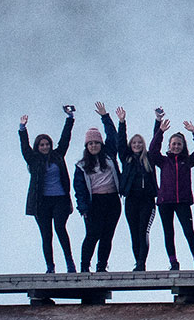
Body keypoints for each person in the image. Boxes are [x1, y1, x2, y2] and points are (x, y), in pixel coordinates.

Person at [20, 105, 77, 273]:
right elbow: (24, 147)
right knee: (46, 234)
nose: (45, 147)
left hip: (59, 199)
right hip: (41, 201)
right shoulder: (33, 159)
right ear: (37, 147)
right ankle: (50, 267)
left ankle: (69, 263)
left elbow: (65, 139)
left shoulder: (58, 155)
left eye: (47, 144)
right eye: (42, 145)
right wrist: (22, 128)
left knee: (60, 228)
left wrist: (70, 119)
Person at [150, 109, 194, 270]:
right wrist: (160, 131)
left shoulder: (187, 161)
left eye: (179, 144)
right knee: (169, 233)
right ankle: (173, 263)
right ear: (169, 146)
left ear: (183, 147)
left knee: (189, 231)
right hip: (165, 202)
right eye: (173, 144)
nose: (176, 146)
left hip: (182, 201)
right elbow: (152, 151)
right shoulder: (163, 161)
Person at [74, 102, 124, 272]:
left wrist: (105, 116)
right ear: (86, 147)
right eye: (90, 143)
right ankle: (84, 266)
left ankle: (101, 266)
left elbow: (112, 136)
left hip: (112, 200)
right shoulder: (81, 166)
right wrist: (83, 209)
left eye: (96, 142)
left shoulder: (109, 155)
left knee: (107, 236)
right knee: (92, 235)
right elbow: (79, 190)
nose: (93, 146)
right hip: (94, 202)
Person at [111, 107, 159, 271]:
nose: (137, 144)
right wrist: (122, 122)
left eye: (140, 142)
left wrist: (158, 122)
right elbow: (119, 143)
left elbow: (156, 142)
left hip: (147, 201)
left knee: (142, 231)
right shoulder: (127, 158)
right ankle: (137, 262)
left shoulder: (150, 158)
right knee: (133, 232)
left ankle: (141, 263)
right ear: (131, 145)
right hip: (131, 200)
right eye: (134, 143)